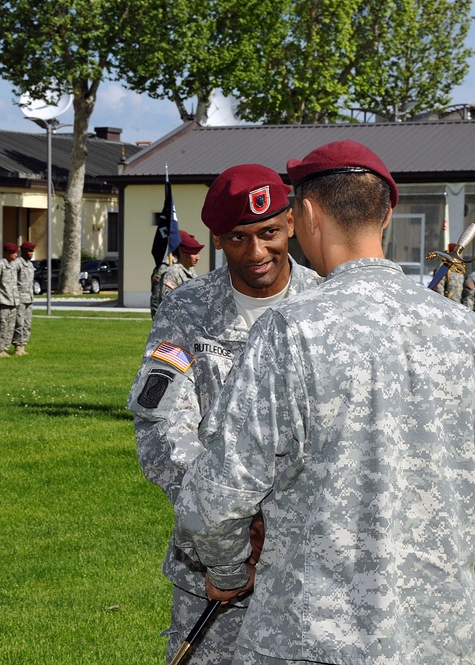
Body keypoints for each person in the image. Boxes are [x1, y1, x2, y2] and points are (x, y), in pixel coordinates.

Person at [173, 140, 475, 665]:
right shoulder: (464, 329)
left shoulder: (289, 330)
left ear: (307, 214)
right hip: (436, 637)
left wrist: (227, 573)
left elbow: (218, 497)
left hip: (310, 637)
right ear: (387, 213)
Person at [128, 164, 322, 665]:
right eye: (238, 238)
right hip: (211, 568)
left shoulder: (325, 306)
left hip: (311, 562)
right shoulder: (188, 308)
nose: (256, 253)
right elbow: (161, 427)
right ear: (217, 239)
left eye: (269, 233)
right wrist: (228, 521)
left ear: (293, 225)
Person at [150, 230, 205, 316]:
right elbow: (164, 302)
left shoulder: (190, 270)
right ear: (183, 252)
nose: (198, 258)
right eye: (194, 253)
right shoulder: (171, 272)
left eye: (198, 253)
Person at [0, 242, 20, 357]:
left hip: (12, 301)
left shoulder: (13, 265)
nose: (16, 255)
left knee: (10, 327)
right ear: (7, 253)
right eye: (14, 253)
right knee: (0, 326)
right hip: (2, 301)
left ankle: (5, 348)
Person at [12, 241, 36, 356]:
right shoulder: (17, 264)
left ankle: (23, 345)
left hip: (29, 298)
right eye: (30, 251)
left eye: (32, 251)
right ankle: (17, 346)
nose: (32, 254)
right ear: (24, 252)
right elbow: (12, 282)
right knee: (19, 323)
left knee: (27, 324)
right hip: (20, 298)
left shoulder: (30, 265)